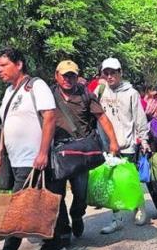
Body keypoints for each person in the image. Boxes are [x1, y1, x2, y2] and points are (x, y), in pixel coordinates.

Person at [0, 47, 70, 250]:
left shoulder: (36, 86)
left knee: (18, 208)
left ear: (19, 64)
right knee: (33, 201)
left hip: (30, 158)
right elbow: (5, 124)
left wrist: (43, 152)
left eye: (3, 65)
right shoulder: (8, 92)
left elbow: (50, 117)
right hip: (13, 159)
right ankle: (55, 241)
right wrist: (0, 152)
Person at [50, 60, 119, 239]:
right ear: (56, 76)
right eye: (64, 75)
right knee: (57, 193)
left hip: (80, 151)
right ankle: (63, 230)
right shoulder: (49, 95)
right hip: (57, 151)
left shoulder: (85, 95)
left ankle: (77, 214)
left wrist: (113, 142)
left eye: (71, 75)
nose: (68, 79)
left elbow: (102, 117)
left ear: (77, 76)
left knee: (80, 192)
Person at [96, 58, 151, 234]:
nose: (110, 76)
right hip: (107, 145)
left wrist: (144, 140)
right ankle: (116, 218)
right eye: (106, 73)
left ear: (120, 73)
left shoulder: (131, 93)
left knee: (130, 180)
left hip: (126, 144)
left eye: (113, 72)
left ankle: (139, 207)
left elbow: (139, 118)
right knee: (112, 183)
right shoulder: (101, 90)